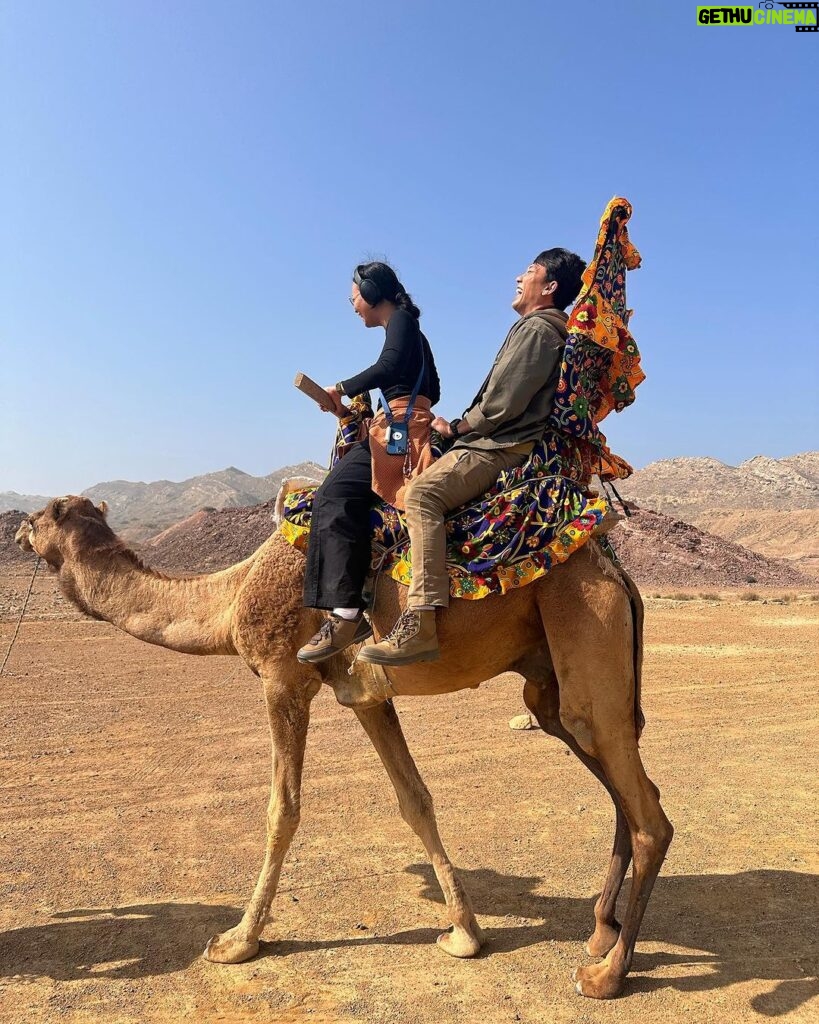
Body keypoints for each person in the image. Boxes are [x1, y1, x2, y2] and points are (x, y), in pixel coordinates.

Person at [358, 248, 586, 666]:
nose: (519, 277)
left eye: (530, 271)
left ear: (549, 287)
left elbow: (503, 404)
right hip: (491, 438)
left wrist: (460, 428)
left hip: (497, 445)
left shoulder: (538, 329)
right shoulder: (536, 327)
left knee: (421, 494)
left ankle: (421, 621)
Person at [297, 261, 441, 664]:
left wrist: (340, 388)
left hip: (396, 428)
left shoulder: (403, 321)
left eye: (354, 297)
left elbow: (389, 366)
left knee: (333, 495)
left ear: (374, 292)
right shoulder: (412, 330)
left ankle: (345, 613)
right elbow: (433, 386)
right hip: (408, 422)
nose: (353, 305)